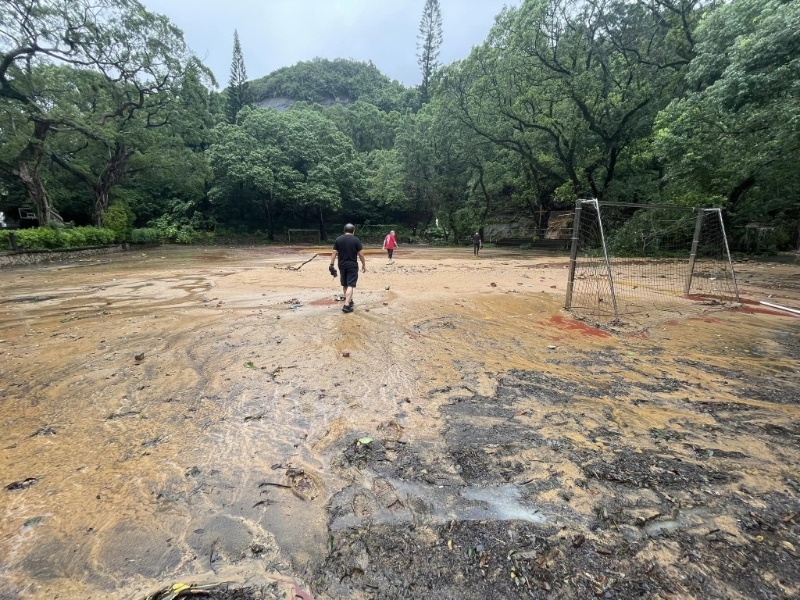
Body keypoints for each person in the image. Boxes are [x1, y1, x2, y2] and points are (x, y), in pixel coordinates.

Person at [330, 223, 366, 313]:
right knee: (350, 285)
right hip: (352, 265)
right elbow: (361, 254)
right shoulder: (356, 240)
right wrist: (363, 264)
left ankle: (349, 300)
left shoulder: (338, 239)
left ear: (344, 230)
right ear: (353, 231)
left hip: (341, 265)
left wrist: (331, 264)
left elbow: (334, 253)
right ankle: (346, 305)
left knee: (345, 284)